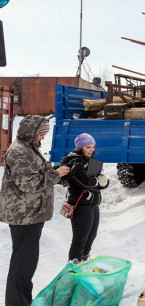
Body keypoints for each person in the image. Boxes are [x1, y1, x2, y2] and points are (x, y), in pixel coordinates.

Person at [0, 115, 70, 306]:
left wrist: (53, 170)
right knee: (22, 265)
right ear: (31, 132)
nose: (42, 138)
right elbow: (28, 184)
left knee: (26, 264)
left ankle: (22, 301)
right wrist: (56, 175)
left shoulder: (29, 148)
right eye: (40, 134)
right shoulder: (20, 152)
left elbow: (36, 172)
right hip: (23, 216)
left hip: (31, 214)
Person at [60, 133, 109, 262]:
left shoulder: (91, 162)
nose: (91, 150)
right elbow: (83, 182)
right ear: (80, 148)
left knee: (91, 237)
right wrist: (99, 181)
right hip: (81, 205)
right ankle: (73, 269)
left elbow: (100, 182)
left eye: (93, 147)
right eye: (88, 147)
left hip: (93, 204)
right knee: (80, 239)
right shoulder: (74, 162)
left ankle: (83, 262)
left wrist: (102, 181)